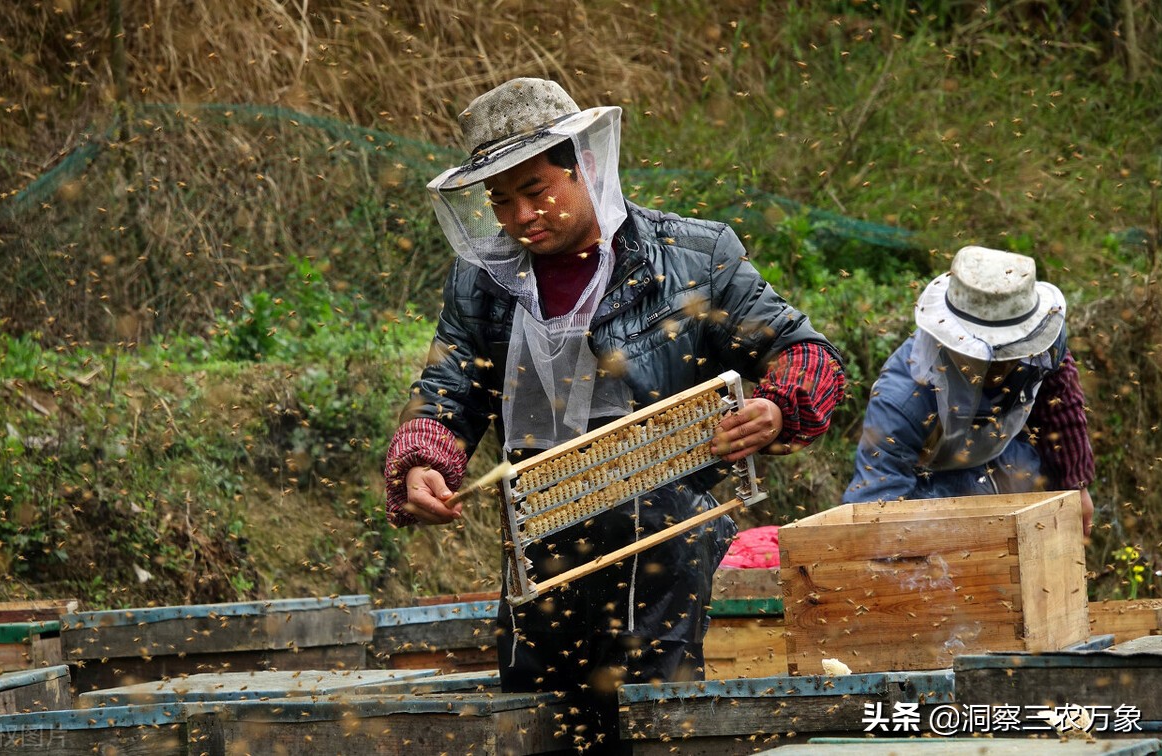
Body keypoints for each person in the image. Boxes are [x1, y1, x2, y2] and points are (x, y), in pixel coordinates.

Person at [383, 77, 845, 752]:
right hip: (543, 539)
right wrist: (425, 456)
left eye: (536, 191)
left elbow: (804, 351)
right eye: (501, 201)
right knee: (547, 726)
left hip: (667, 539)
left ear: (586, 166)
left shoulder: (692, 255)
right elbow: (450, 388)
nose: (519, 216)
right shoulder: (482, 279)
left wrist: (776, 408)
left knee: (657, 720)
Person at [843, 245, 1094, 536]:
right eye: (986, 355)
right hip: (930, 489)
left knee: (1033, 499)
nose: (999, 365)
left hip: (1007, 459)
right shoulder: (902, 399)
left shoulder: (1040, 349)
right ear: (952, 341)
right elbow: (875, 508)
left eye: (1008, 353)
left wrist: (1075, 485)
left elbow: (1060, 399)